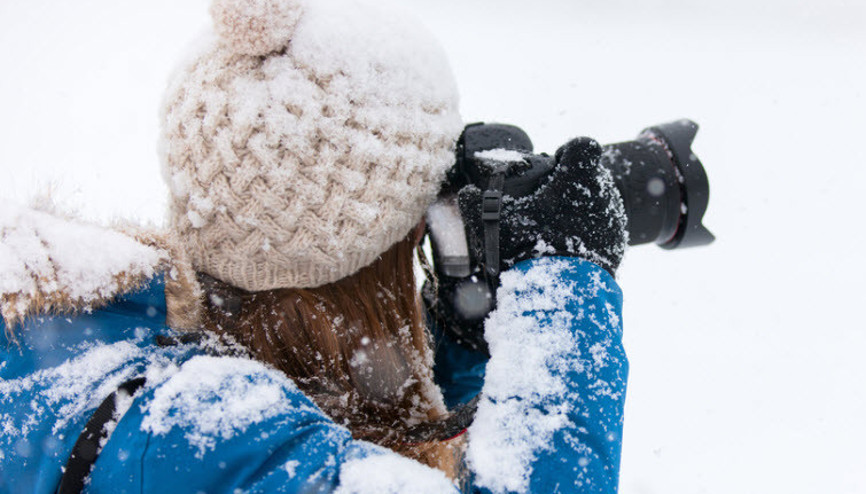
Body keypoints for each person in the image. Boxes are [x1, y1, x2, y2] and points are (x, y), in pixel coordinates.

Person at [0, 0, 629, 492]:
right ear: (374, 259)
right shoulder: (210, 436)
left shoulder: (89, 336)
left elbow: (339, 391)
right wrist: (560, 283)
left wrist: (461, 337)